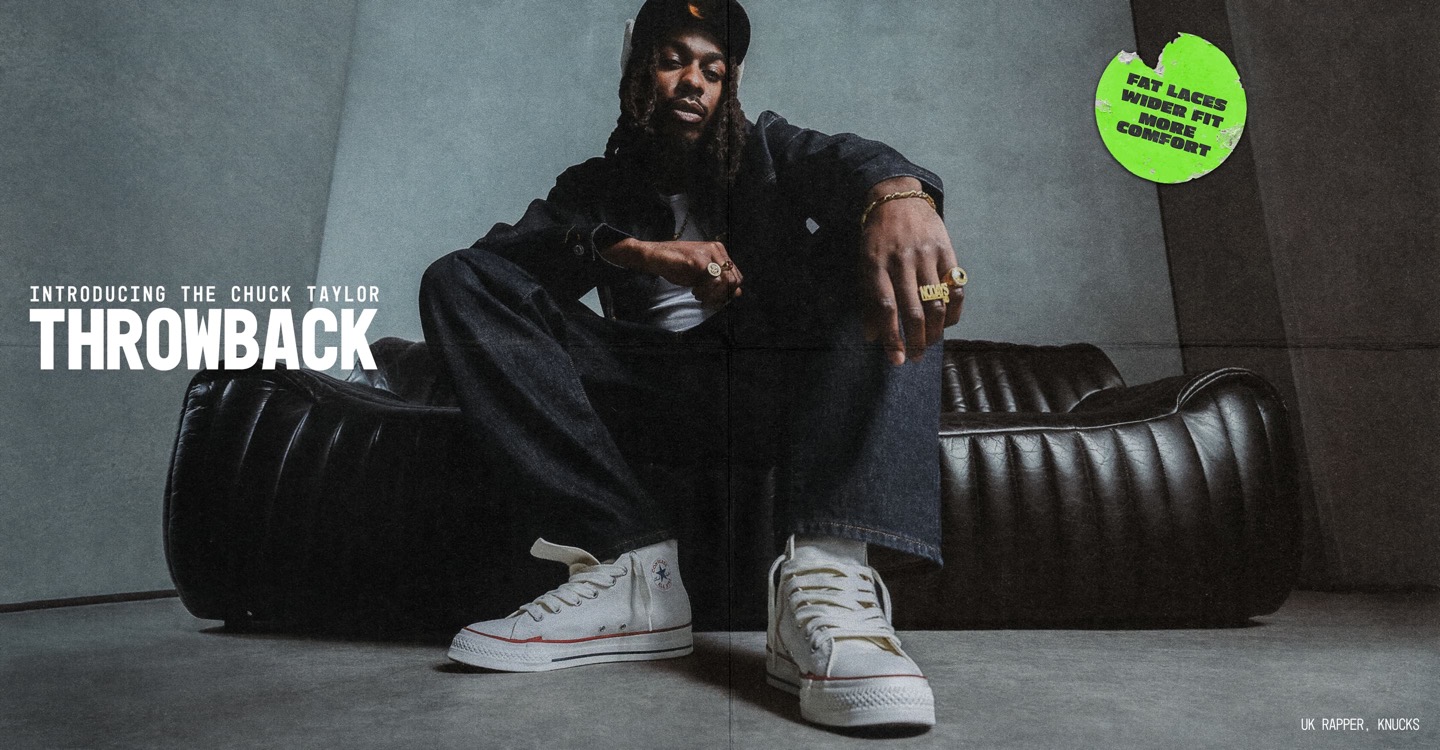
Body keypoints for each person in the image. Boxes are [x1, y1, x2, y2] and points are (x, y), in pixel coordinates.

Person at [419, 0, 966, 730]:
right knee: (459, 277)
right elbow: (505, 262)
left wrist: (900, 197)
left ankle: (831, 575)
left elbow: (851, 160)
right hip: (635, 392)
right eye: (674, 58)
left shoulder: (769, 150)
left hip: (762, 386)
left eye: (713, 69)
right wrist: (637, 252)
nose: (693, 82)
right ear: (639, 71)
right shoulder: (594, 187)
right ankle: (635, 567)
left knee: (862, 237)